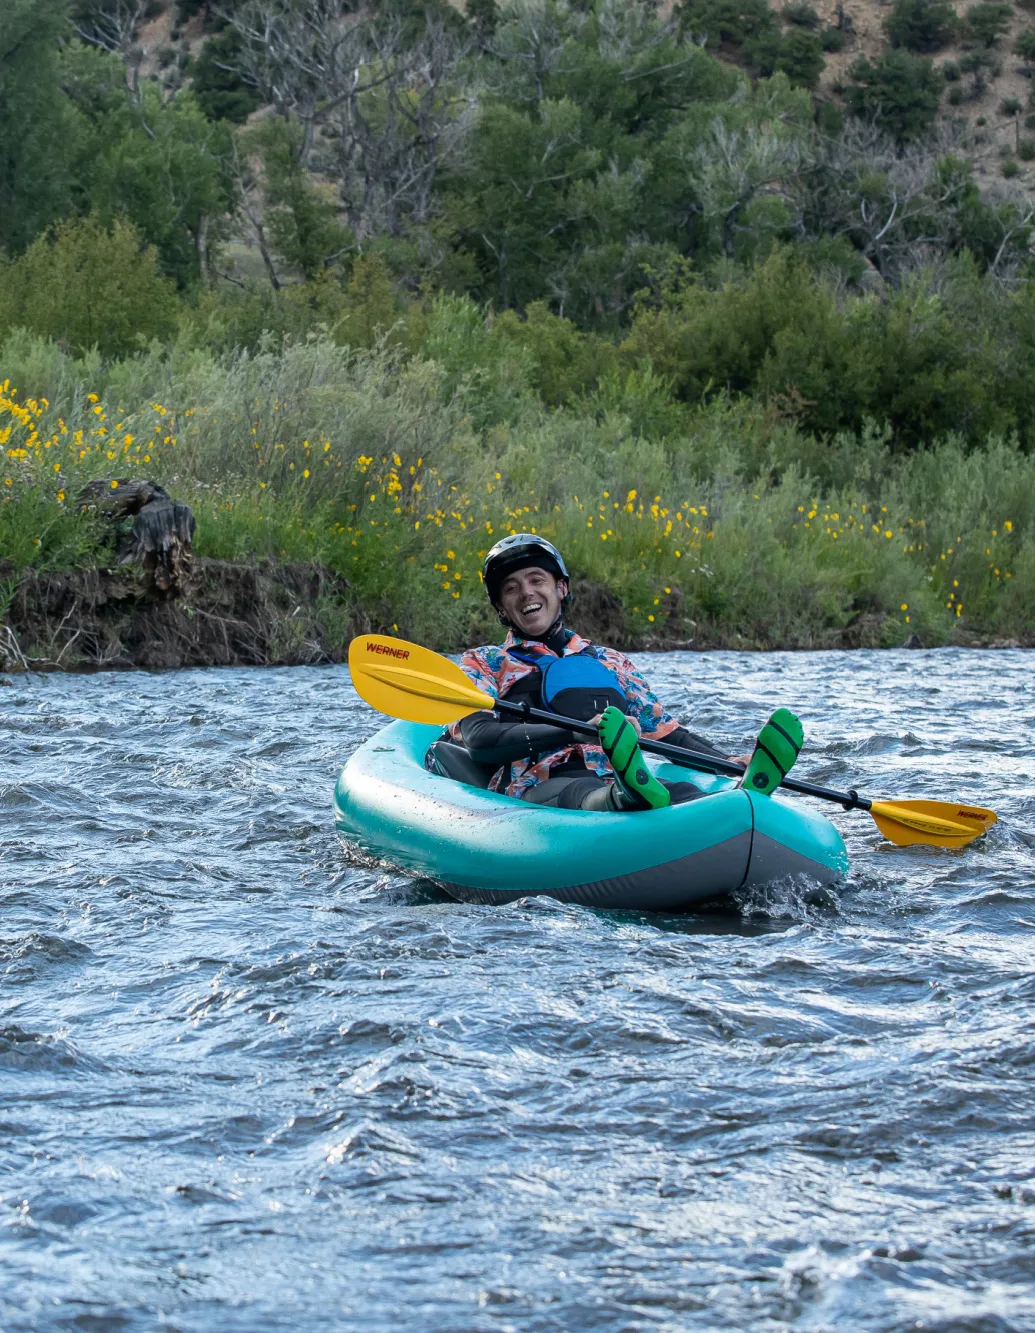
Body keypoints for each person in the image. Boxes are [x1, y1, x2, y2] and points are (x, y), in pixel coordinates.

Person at [428, 533, 803, 812]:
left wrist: (725, 761)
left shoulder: (610, 660)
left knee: (685, 795)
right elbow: (479, 737)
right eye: (511, 588)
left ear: (561, 588)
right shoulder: (484, 662)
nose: (525, 593)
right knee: (581, 793)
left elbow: (665, 732)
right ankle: (625, 797)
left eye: (536, 580)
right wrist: (574, 730)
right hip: (537, 787)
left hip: (617, 771)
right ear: (502, 608)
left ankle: (741, 796)